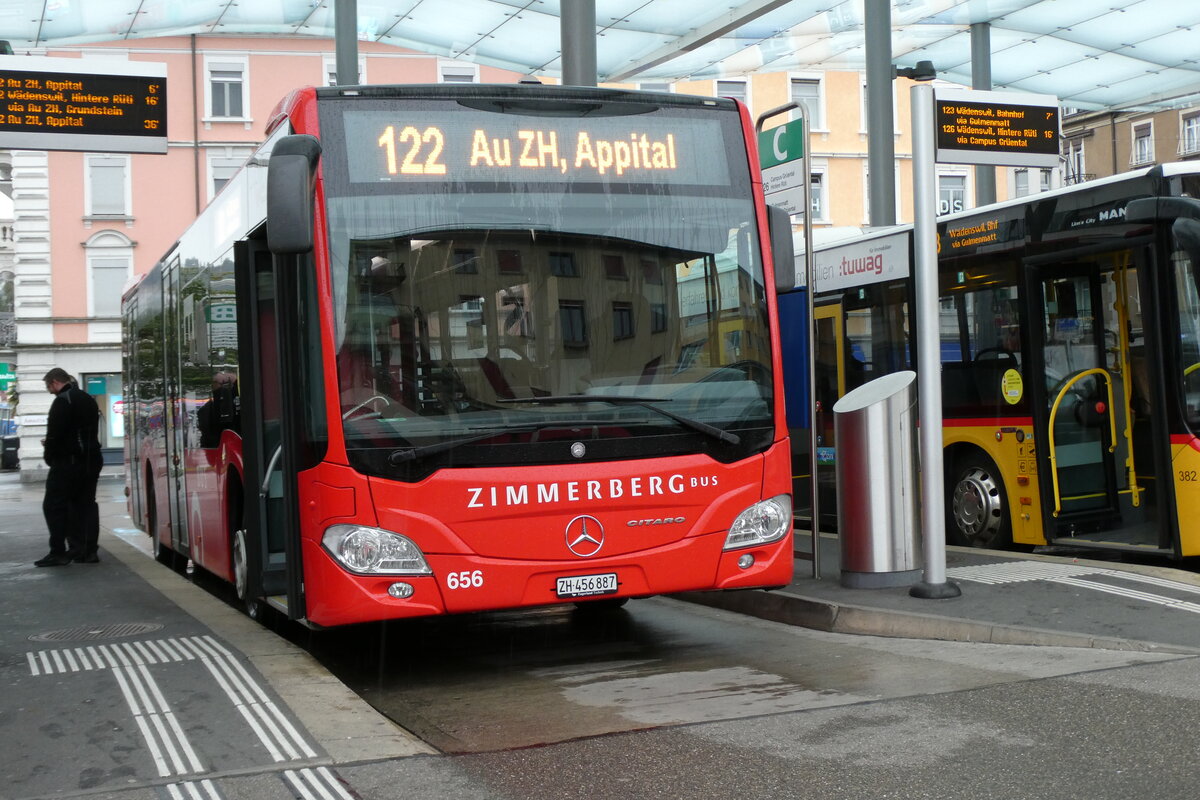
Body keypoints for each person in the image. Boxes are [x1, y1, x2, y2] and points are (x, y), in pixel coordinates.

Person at [35, 367, 103, 566]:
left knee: (54, 506)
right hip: (91, 460)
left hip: (68, 462)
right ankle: (87, 551)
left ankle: (59, 551)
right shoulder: (87, 398)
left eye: (49, 386)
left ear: (55, 382)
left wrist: (49, 455)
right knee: (86, 505)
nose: (50, 391)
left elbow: (55, 434)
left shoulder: (63, 401)